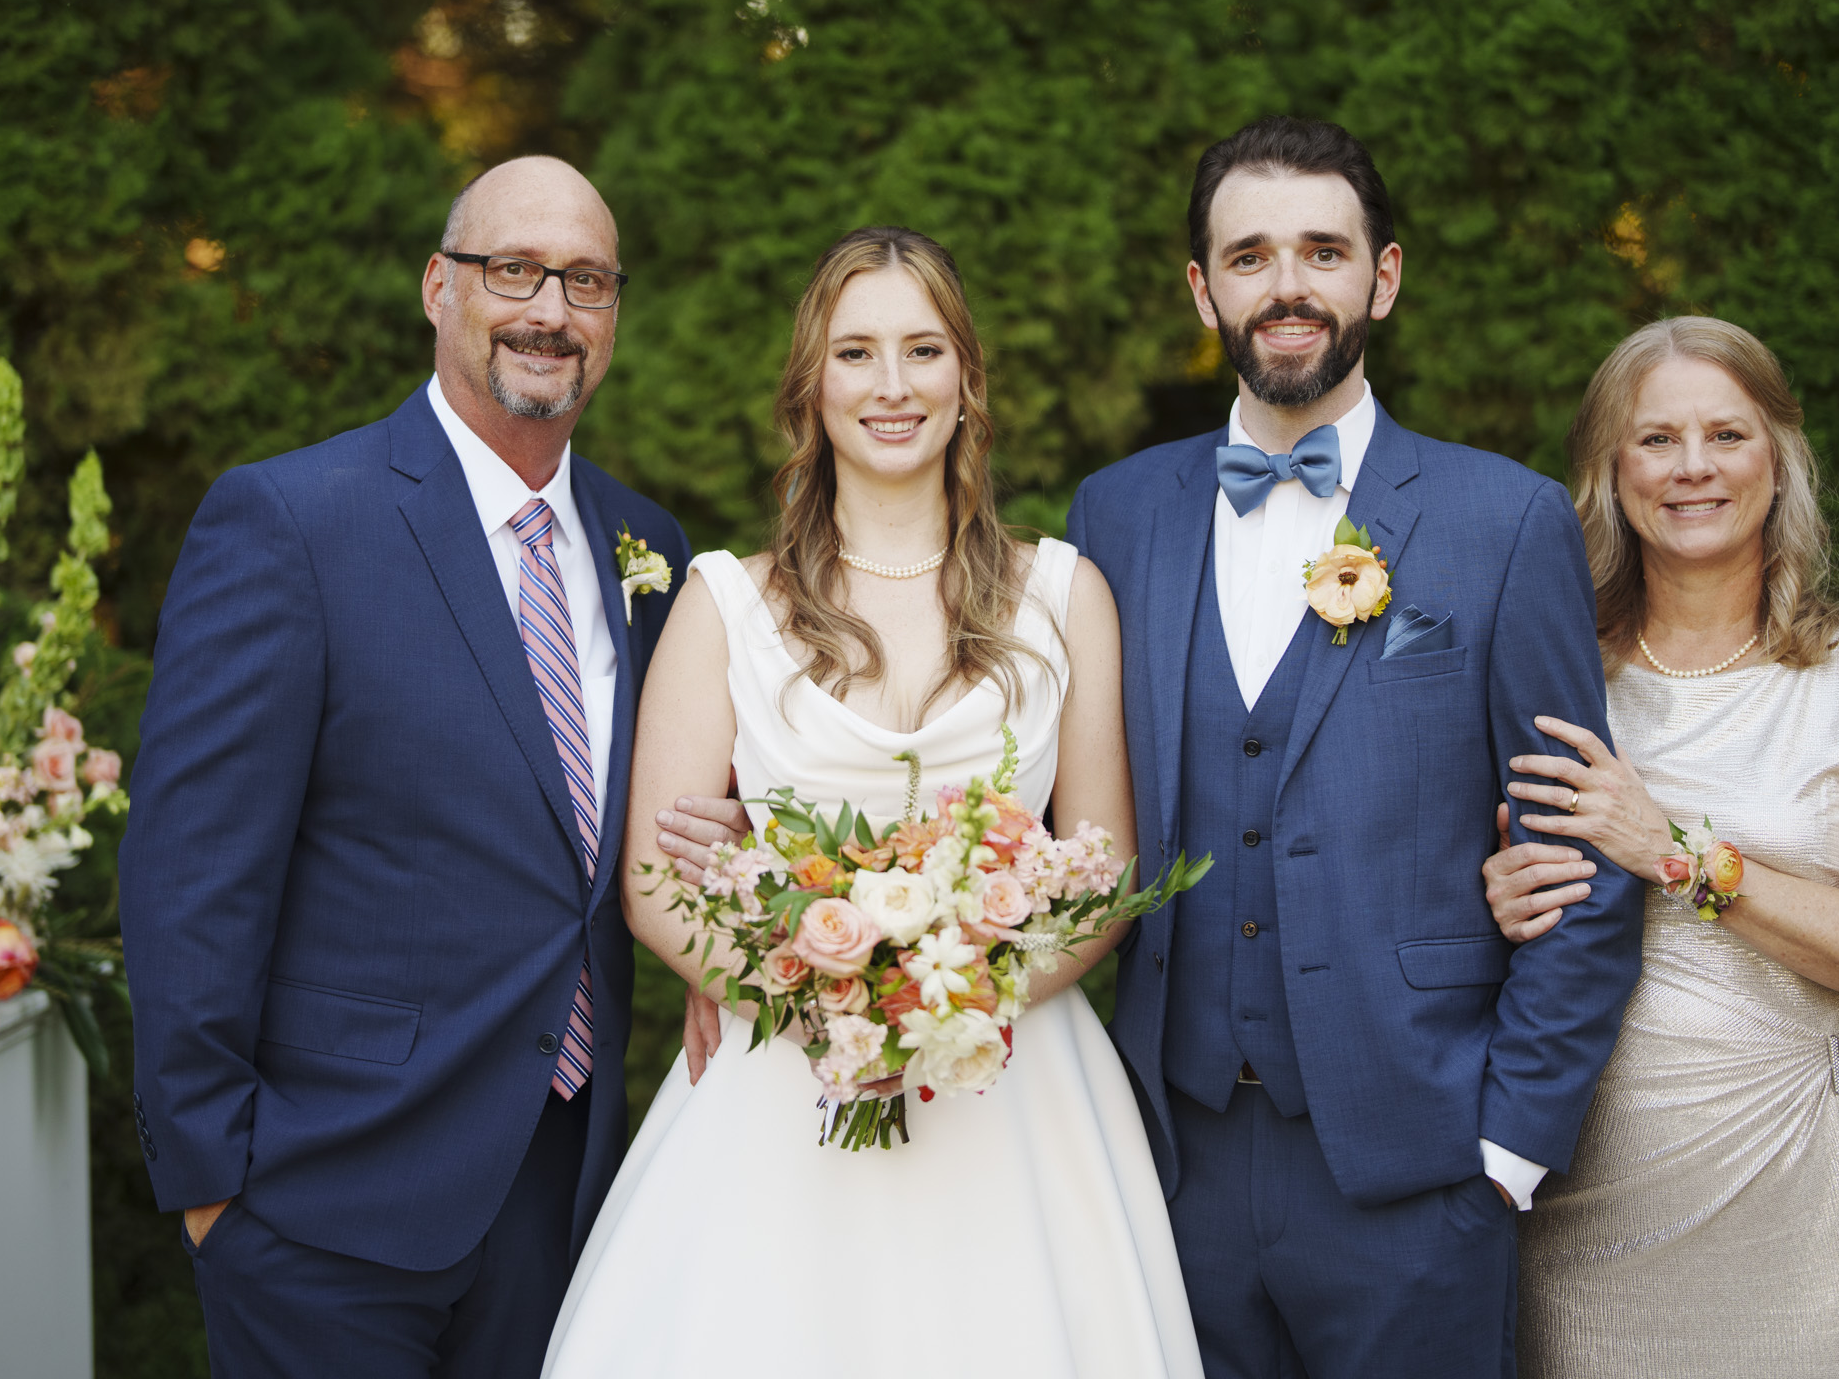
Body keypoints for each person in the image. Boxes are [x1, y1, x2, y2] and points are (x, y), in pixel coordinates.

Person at [546, 226, 1201, 1378]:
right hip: (782, 1088)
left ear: (969, 381)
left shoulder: (1063, 597)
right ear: (811, 385)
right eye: (856, 353)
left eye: (923, 350)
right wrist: (835, 1020)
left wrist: (948, 1020)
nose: (892, 386)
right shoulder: (723, 605)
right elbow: (654, 889)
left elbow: (1102, 876)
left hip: (1016, 1094)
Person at [1064, 116, 1643, 1378]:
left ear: (1381, 277)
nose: (1288, 285)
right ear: (1203, 287)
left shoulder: (1505, 519)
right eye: (1252, 254)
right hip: (1172, 1159)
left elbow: (1583, 847)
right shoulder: (1115, 516)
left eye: (1324, 251)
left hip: (1421, 1162)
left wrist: (1507, 1147)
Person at [119, 157, 691, 1377]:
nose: (550, 308)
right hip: (324, 1203)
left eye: (585, 280)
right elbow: (190, 876)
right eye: (513, 270)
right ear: (440, 286)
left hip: (559, 1191)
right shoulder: (290, 521)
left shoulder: (649, 547)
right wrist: (214, 1184)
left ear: (614, 314)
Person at [1479, 315, 1839, 1377]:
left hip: (1825, 1182)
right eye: (1655, 439)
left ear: (1779, 460)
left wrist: (1678, 853)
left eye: (1726, 435)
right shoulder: (1549, 678)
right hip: (1590, 1187)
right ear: (1610, 471)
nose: (1692, 467)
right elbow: (1480, 935)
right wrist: (1500, 898)